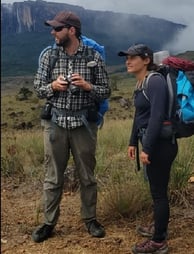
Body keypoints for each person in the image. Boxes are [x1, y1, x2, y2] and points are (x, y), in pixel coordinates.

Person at [32, 11, 111, 243]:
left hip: (83, 125)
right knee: (53, 177)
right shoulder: (49, 55)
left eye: (57, 28)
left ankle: (90, 219)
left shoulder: (93, 56)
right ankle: (48, 223)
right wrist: (53, 86)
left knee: (87, 176)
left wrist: (88, 86)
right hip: (55, 123)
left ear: (72, 30)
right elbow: (38, 87)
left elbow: (106, 91)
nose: (52, 32)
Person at [118, 44, 178, 254]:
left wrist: (148, 148)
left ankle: (159, 241)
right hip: (153, 143)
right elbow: (140, 116)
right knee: (157, 191)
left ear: (146, 60)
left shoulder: (155, 82)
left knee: (159, 194)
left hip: (160, 146)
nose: (128, 61)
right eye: (127, 58)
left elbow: (157, 116)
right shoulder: (141, 83)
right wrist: (133, 141)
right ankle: (158, 227)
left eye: (133, 58)